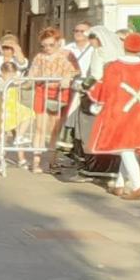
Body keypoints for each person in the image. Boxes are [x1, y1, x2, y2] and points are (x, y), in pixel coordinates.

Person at [87, 31, 140, 199]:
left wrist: (97, 102)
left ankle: (138, 186)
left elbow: (106, 90)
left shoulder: (115, 67)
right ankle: (120, 185)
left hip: (120, 112)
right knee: (128, 148)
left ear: (124, 45)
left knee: (125, 147)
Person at [29, 26, 79, 174]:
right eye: (44, 45)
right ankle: (36, 161)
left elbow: (76, 70)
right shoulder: (39, 57)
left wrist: (67, 77)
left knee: (55, 128)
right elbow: (32, 72)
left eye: (51, 44)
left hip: (60, 93)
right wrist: (29, 78)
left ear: (58, 42)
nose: (47, 48)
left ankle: (51, 161)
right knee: (39, 128)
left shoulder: (67, 54)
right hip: (42, 91)